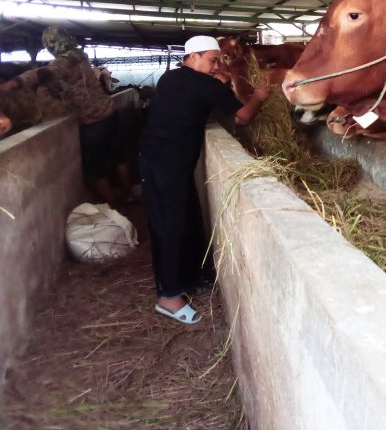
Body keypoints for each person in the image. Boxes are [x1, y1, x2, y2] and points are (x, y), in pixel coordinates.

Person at [139, 35, 268, 325]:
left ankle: (195, 276)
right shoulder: (204, 85)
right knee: (170, 225)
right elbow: (244, 117)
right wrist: (258, 97)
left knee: (183, 219)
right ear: (193, 56)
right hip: (168, 164)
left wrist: (218, 83)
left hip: (157, 157)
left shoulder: (170, 78)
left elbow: (194, 99)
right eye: (212, 59)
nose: (216, 66)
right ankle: (168, 297)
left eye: (219, 60)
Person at [0, 26, 131, 203]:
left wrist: (13, 84)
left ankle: (115, 206)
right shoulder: (80, 57)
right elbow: (65, 83)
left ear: (50, 45)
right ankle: (129, 193)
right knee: (118, 156)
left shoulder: (64, 62)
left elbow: (44, 72)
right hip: (110, 113)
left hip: (92, 122)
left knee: (95, 168)